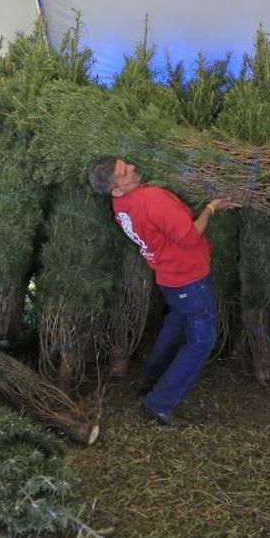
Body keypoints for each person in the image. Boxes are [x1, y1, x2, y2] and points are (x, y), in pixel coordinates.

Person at [88, 157, 240, 426]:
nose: (133, 168)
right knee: (202, 341)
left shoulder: (121, 204)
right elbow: (191, 237)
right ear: (116, 189)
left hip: (169, 279)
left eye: (128, 165)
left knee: (177, 322)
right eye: (125, 172)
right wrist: (212, 208)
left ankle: (151, 379)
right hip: (189, 278)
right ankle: (159, 403)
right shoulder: (152, 199)